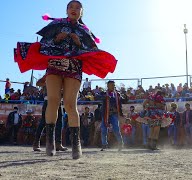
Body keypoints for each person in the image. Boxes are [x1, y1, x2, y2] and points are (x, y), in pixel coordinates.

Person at [14, 0, 117, 159]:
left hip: (74, 67)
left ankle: (76, 145)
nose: (74, 9)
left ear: (82, 12)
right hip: (54, 64)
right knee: (53, 100)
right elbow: (43, 44)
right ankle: (50, 143)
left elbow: (92, 50)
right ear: (66, 10)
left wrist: (78, 42)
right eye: (71, 7)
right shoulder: (55, 24)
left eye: (78, 8)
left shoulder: (85, 30)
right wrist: (56, 39)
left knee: (70, 103)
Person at [33, 76, 68, 152]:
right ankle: (36, 144)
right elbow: (38, 83)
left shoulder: (64, 76)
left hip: (59, 101)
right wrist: (49, 84)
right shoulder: (49, 74)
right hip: (48, 100)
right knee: (43, 122)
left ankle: (58, 144)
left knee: (59, 122)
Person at [98, 80, 125, 151]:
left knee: (116, 129)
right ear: (108, 86)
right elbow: (98, 97)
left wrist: (125, 97)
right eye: (112, 85)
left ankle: (120, 144)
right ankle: (104, 144)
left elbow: (123, 101)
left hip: (114, 114)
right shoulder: (104, 93)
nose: (113, 86)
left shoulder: (117, 94)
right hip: (105, 114)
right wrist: (104, 97)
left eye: (114, 85)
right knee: (104, 130)